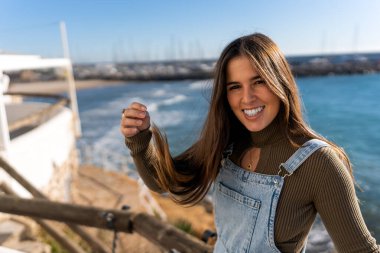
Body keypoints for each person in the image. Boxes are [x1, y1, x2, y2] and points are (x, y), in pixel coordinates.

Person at [120, 33, 379, 253]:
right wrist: (139, 140)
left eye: (259, 81)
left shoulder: (319, 163)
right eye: (235, 86)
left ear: (280, 82)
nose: (247, 98)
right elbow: (164, 182)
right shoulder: (226, 144)